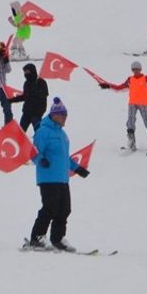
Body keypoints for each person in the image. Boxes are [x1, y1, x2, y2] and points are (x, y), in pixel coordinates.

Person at [25, 98, 90, 251]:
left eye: (66, 115)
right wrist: (41, 160)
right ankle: (37, 238)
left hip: (62, 178)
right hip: (48, 178)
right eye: (62, 115)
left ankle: (58, 238)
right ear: (54, 115)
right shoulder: (43, 131)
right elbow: (33, 153)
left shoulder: (62, 134)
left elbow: (64, 157)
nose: (64, 118)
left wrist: (77, 168)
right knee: (49, 208)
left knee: (65, 209)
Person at [99, 61, 147, 153]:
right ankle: (131, 142)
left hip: (143, 103)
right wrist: (108, 86)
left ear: (140, 69)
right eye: (133, 69)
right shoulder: (130, 79)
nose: (135, 71)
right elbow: (119, 88)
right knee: (130, 121)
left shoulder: (146, 78)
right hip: (132, 103)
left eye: (137, 69)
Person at [8, 62, 49, 134]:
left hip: (36, 114)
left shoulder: (41, 82)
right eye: (25, 72)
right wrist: (11, 100)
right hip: (26, 113)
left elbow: (43, 99)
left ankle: (39, 145)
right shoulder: (26, 83)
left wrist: (39, 112)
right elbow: (25, 97)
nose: (26, 74)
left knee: (39, 134)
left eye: (27, 72)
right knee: (20, 133)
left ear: (32, 71)